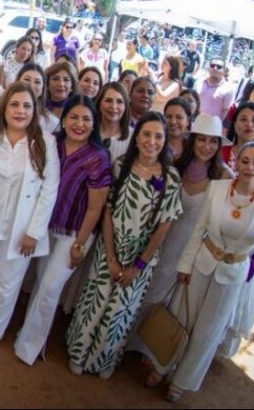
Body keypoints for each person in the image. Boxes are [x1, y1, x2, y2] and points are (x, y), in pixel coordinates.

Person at [148, 141, 254, 401]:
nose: (250, 167)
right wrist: (184, 265)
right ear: (236, 163)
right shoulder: (218, 188)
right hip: (203, 261)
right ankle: (162, 366)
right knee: (182, 318)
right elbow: (198, 229)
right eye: (245, 161)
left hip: (233, 273)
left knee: (209, 330)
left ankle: (182, 381)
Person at [67, 113, 183, 378]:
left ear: (165, 141)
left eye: (158, 136)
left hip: (140, 259)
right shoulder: (120, 166)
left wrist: (138, 265)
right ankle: (78, 353)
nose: (151, 141)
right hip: (110, 249)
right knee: (93, 305)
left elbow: (164, 226)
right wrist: (110, 256)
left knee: (120, 312)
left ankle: (102, 362)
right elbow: (107, 211)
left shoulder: (171, 178)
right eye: (146, 134)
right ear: (137, 137)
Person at [129, 113, 233, 378]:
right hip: (162, 237)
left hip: (192, 248)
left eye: (213, 142)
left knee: (171, 303)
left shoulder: (224, 176)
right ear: (192, 140)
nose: (206, 146)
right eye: (202, 140)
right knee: (146, 290)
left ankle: (155, 355)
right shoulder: (175, 164)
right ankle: (129, 342)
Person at [15, 95, 112, 365]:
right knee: (40, 282)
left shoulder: (98, 158)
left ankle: (30, 348)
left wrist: (80, 244)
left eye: (86, 119)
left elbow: (95, 208)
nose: (79, 124)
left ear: (94, 124)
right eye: (74, 117)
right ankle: (28, 334)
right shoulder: (53, 144)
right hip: (46, 227)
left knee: (49, 289)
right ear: (64, 120)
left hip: (74, 235)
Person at [0, 81, 59, 359]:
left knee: (6, 285)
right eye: (15, 104)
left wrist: (34, 232)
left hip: (22, 229)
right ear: (5, 107)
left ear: (35, 110)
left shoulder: (45, 142)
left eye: (27, 106)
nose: (20, 111)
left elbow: (49, 189)